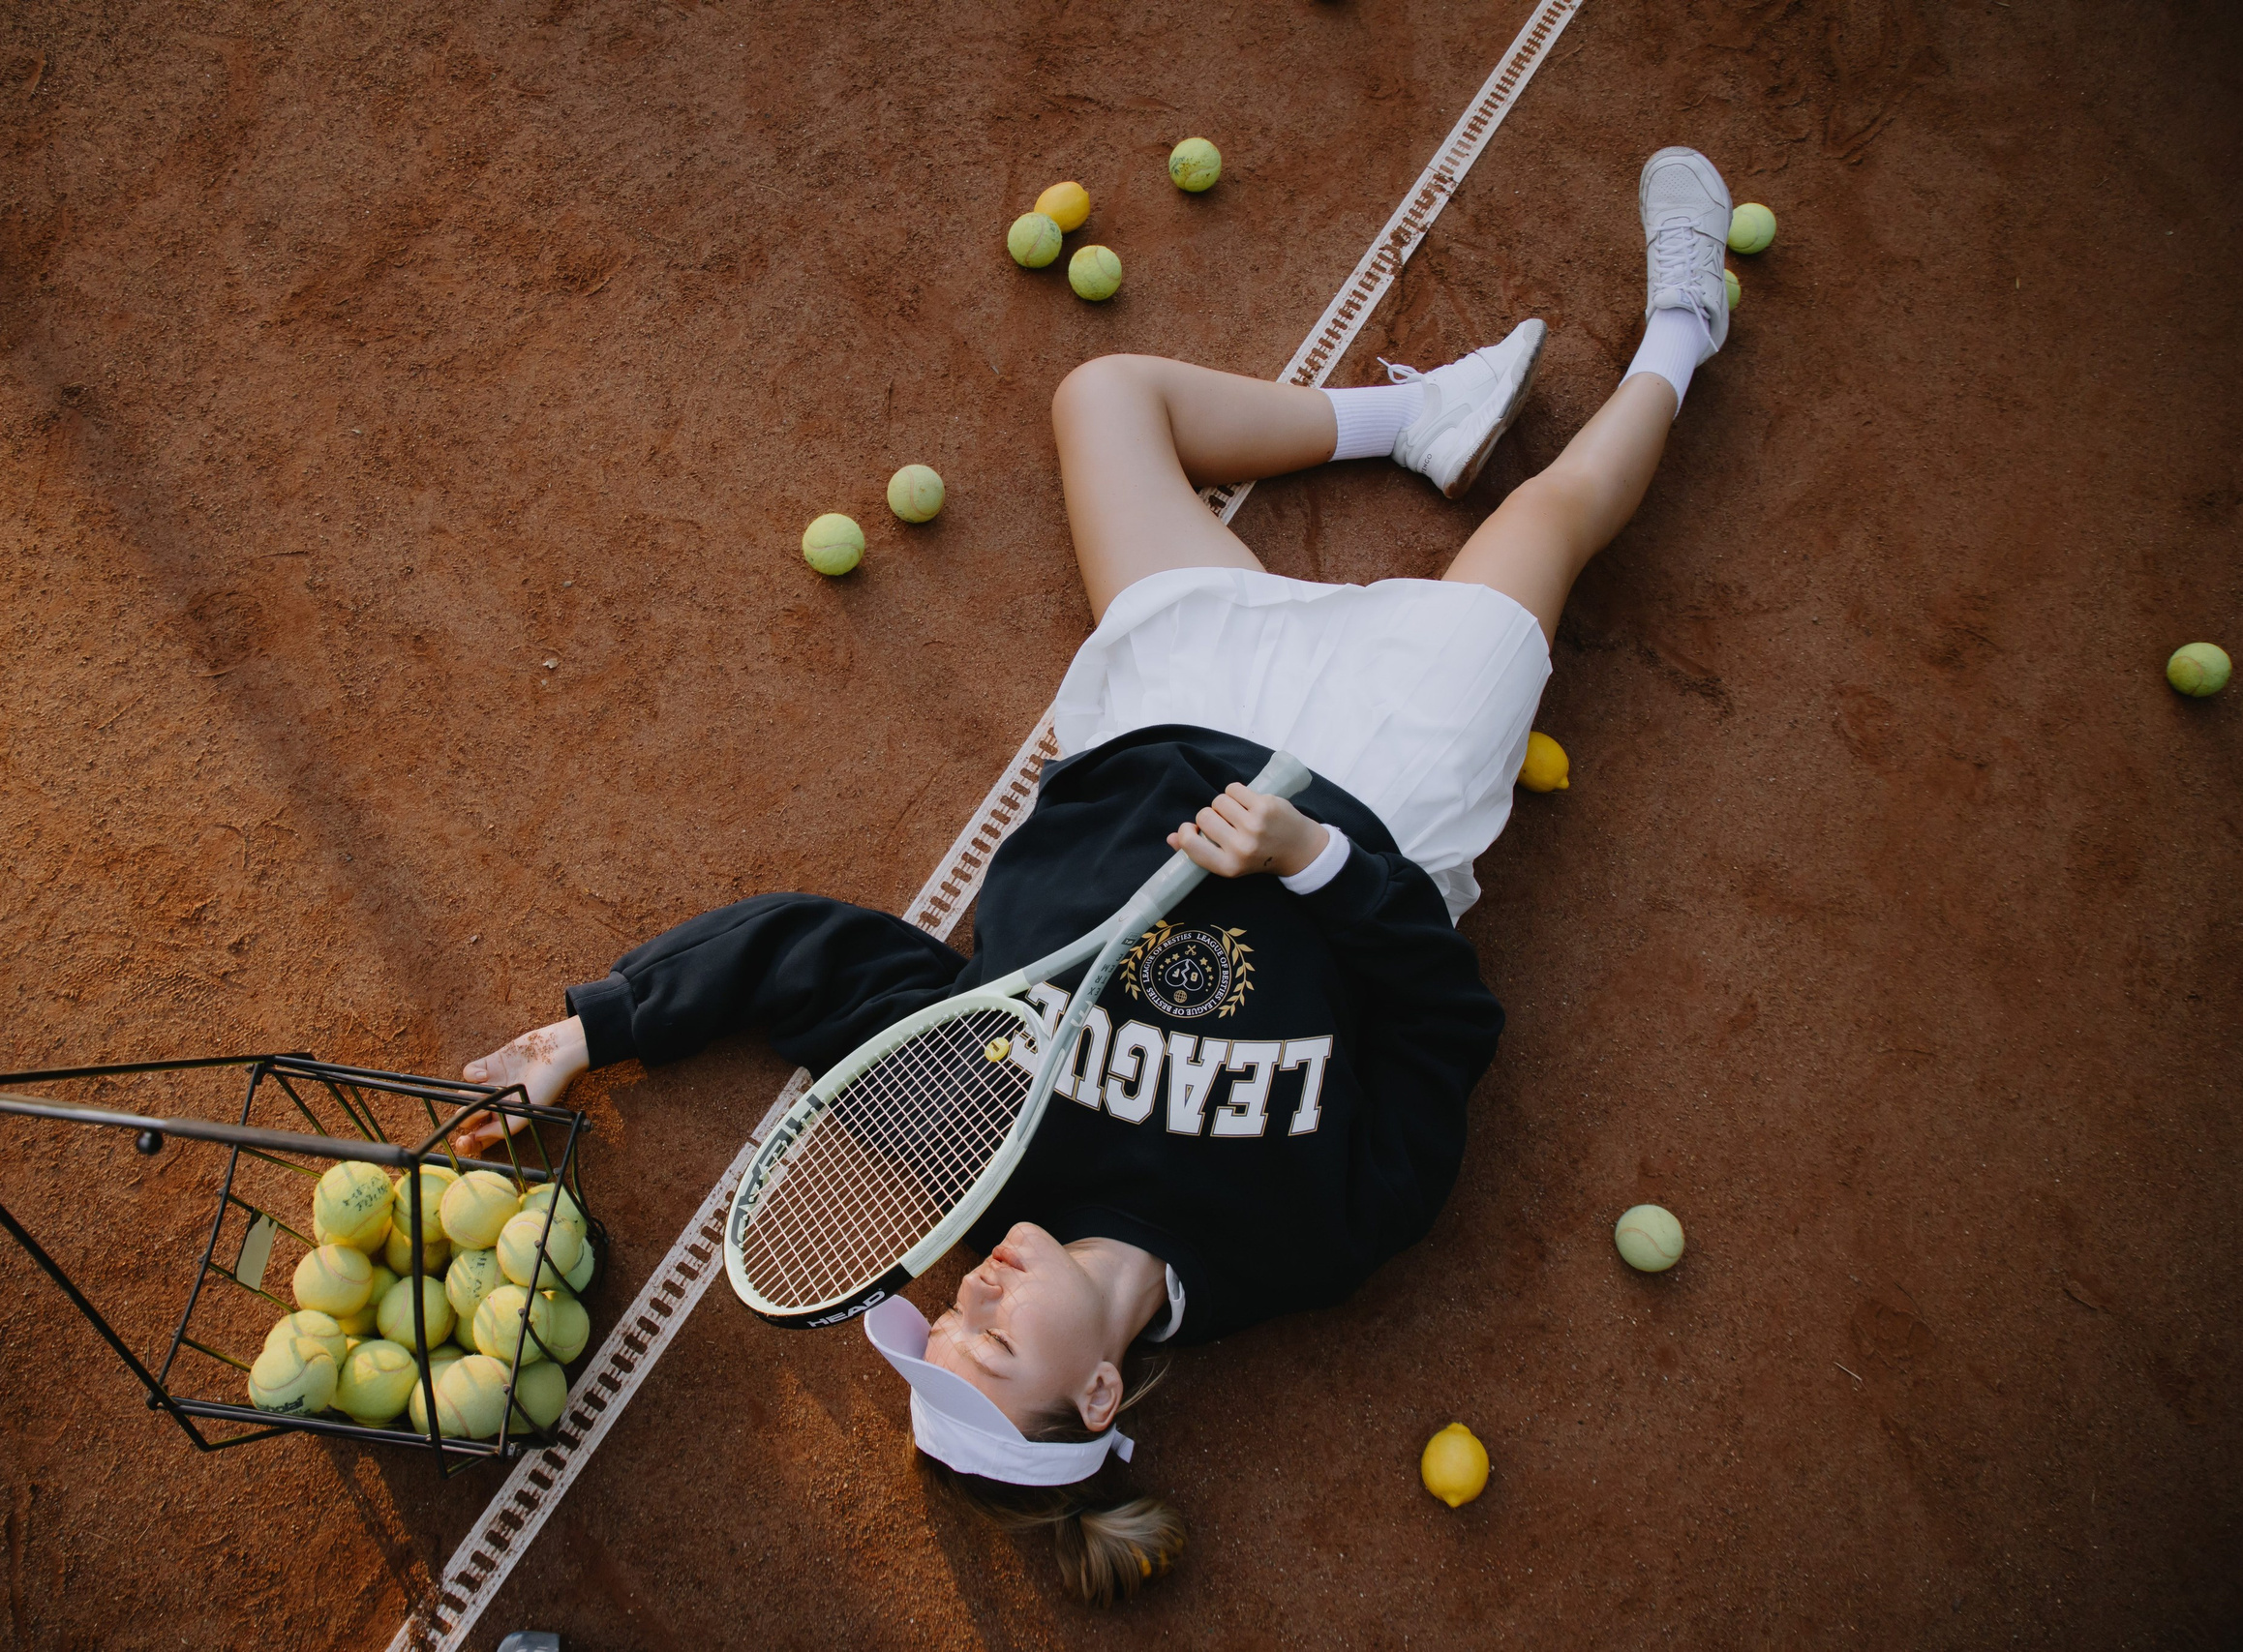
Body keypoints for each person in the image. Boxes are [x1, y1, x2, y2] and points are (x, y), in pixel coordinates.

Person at [454, 148, 1738, 1604]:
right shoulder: (1315, 1243)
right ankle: (1689, 328)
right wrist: (1312, 863)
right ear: (1106, 1393)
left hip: (1165, 709)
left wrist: (588, 1029)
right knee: (1556, 520)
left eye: (947, 1320)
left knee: (1103, 398)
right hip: (1387, 773)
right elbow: (1450, 1029)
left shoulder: (975, 1146)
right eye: (993, 1344)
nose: (971, 1293)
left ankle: (1416, 416)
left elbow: (811, 959)